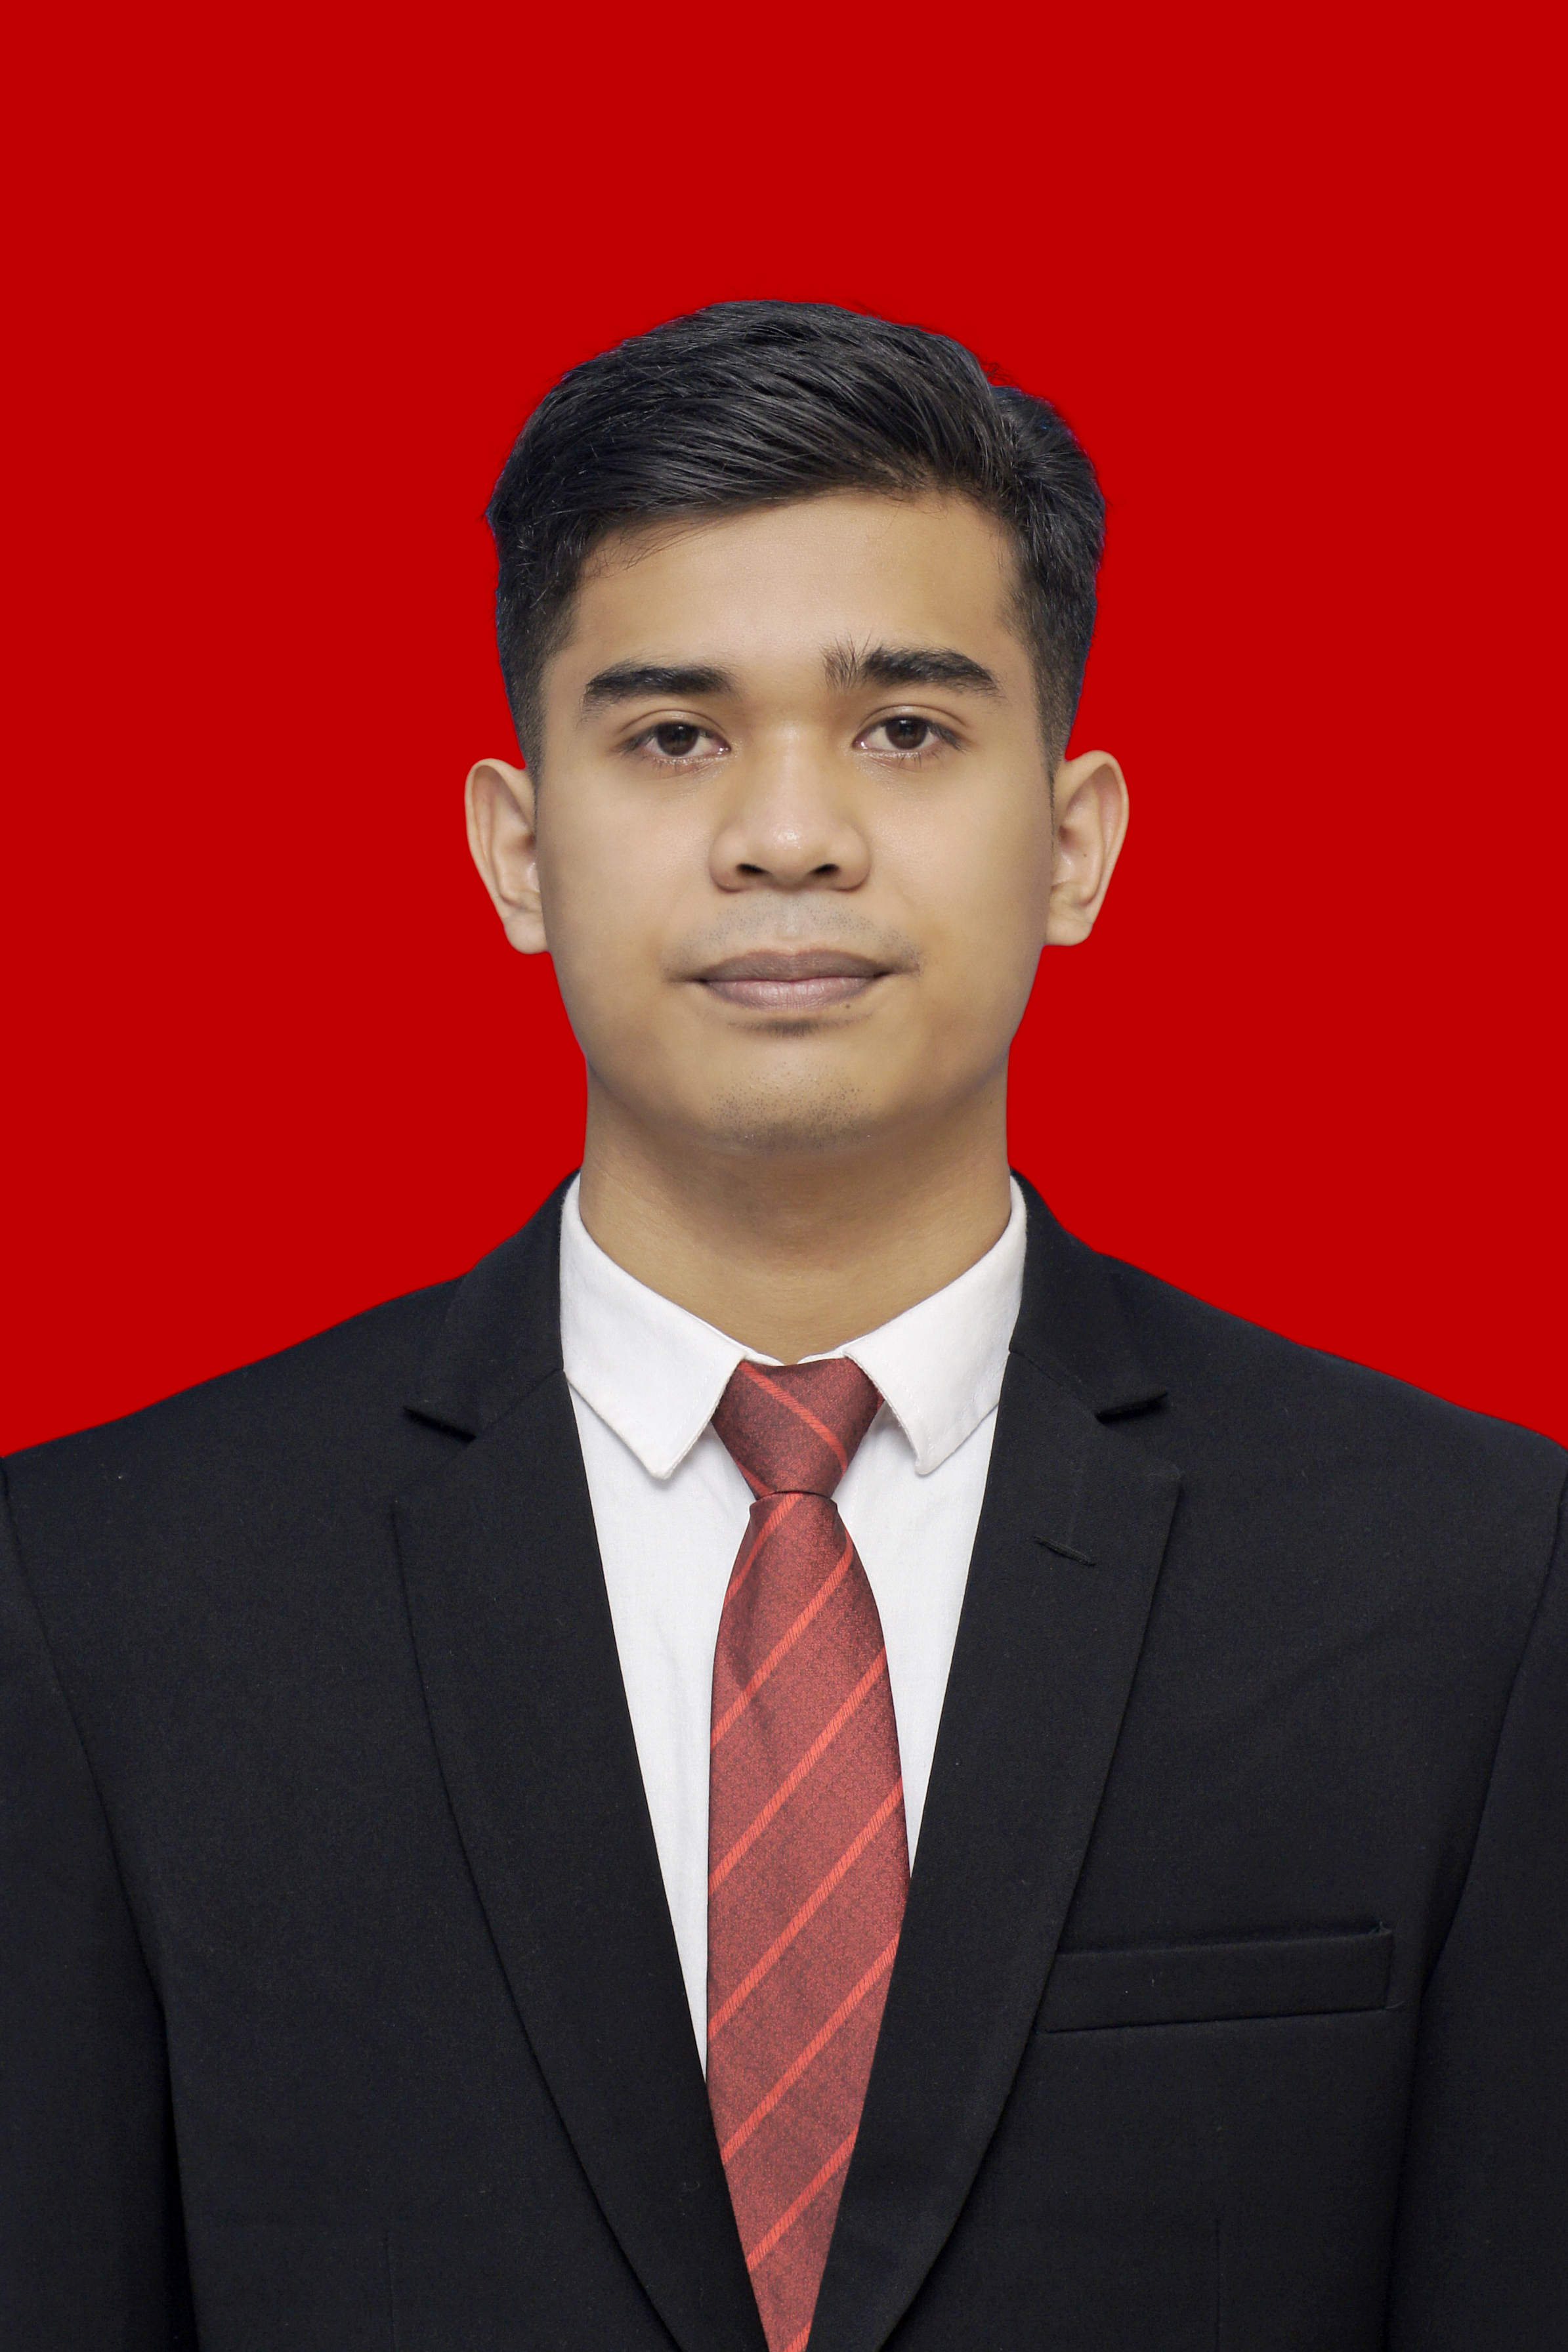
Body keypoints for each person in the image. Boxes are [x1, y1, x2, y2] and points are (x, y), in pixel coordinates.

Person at [2, 301, 1563, 2352]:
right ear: (516, 852)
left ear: (1075, 840)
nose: (790, 834)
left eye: (905, 729)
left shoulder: (1468, 1581)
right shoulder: (106, 1594)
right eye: (674, 736)